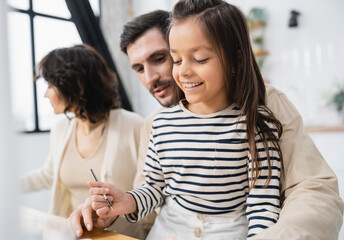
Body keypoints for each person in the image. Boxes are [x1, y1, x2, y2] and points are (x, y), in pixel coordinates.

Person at [69, 6, 343, 240]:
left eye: (160, 58)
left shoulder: (263, 109)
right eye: (139, 68)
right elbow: (152, 193)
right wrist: (111, 212)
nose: (150, 77)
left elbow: (306, 193)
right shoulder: (157, 124)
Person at [89, 0, 284, 239]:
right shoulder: (161, 124)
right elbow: (155, 188)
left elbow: (263, 203)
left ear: (236, 61)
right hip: (168, 230)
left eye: (200, 58)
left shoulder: (256, 121)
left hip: (229, 231)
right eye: (177, 60)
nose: (182, 72)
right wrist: (128, 201)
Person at [21, 44, 148, 239]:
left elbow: (148, 194)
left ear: (75, 84)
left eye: (50, 85)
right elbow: (47, 175)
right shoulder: (60, 129)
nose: (45, 94)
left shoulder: (134, 126)